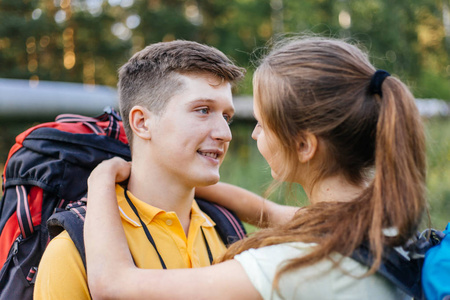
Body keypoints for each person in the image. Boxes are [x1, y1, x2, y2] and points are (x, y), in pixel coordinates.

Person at [84, 36, 426, 300]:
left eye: (262, 124)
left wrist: (101, 178)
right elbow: (264, 210)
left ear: (304, 145)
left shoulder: (292, 266)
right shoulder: (379, 223)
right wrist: (168, 175)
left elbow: (110, 284)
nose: (242, 133)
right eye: (204, 111)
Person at [33, 40, 245, 299]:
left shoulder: (228, 231)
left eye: (226, 117)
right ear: (142, 122)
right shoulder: (72, 252)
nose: (225, 134)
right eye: (203, 110)